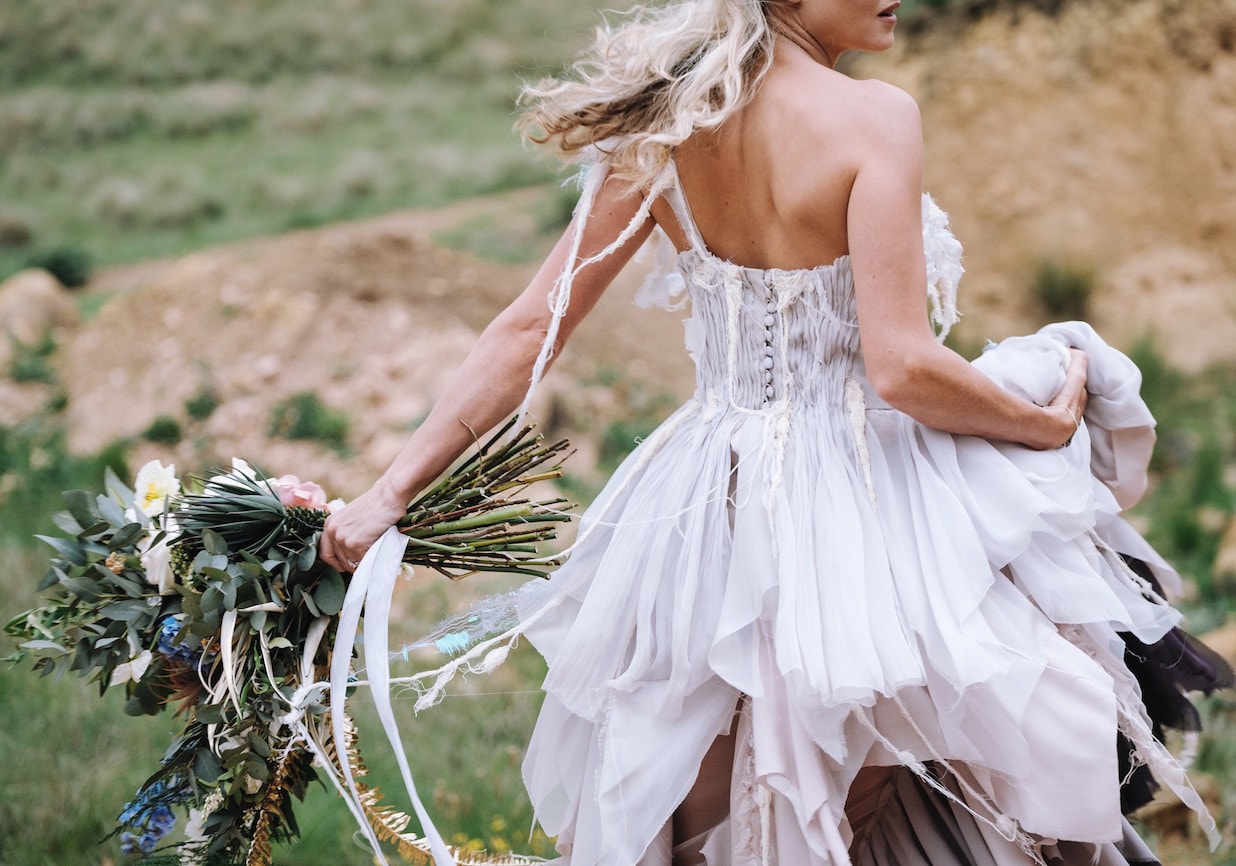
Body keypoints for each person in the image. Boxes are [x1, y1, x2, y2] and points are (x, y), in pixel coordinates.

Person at [320, 0, 1227, 862]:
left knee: (720, 810)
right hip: (868, 508)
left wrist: (389, 491)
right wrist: (1037, 421)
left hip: (704, 509)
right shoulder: (874, 118)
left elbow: (531, 328)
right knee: (909, 784)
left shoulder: (667, 125)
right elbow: (903, 367)